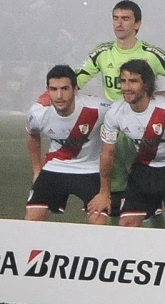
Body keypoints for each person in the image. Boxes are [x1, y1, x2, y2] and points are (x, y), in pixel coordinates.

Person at [75, 0, 165, 211]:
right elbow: (75, 82)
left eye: (125, 19)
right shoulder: (102, 53)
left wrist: (163, 95)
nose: (119, 24)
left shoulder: (151, 54)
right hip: (113, 130)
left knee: (148, 196)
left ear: (137, 24)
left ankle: (155, 235)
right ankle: (117, 241)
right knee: (114, 197)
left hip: (144, 131)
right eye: (115, 18)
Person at [89, 60, 165, 228]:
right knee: (126, 225)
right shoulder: (115, 113)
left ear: (146, 84)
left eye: (133, 81)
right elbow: (107, 154)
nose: (126, 87)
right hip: (144, 172)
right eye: (123, 81)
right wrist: (104, 193)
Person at [24, 65, 111, 223]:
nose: (59, 95)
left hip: (90, 170)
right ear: (47, 90)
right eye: (54, 89)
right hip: (54, 167)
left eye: (65, 89)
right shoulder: (38, 113)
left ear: (75, 89)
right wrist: (37, 170)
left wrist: (105, 192)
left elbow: (125, 113)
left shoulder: (98, 108)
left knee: (99, 221)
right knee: (32, 219)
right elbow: (31, 134)